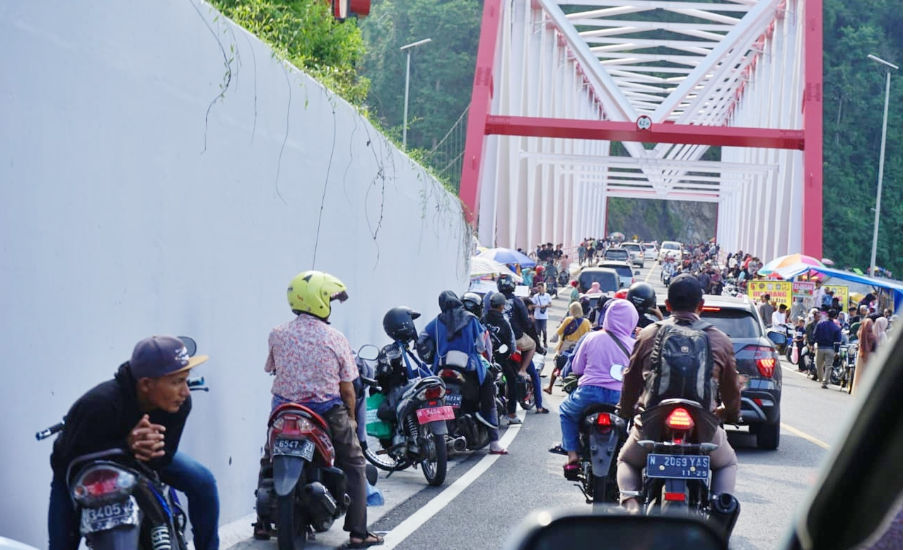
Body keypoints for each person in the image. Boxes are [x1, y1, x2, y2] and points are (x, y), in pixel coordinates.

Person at [49, 335, 218, 550]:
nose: (185, 391)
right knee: (60, 544)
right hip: (78, 472)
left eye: (186, 379)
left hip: (144, 463)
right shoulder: (97, 404)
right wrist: (124, 445)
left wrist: (149, 450)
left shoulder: (179, 404)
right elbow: (65, 460)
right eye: (176, 382)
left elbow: (164, 458)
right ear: (146, 384)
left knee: (203, 482)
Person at [260, 271, 382, 548]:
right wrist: (350, 418)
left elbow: (271, 368)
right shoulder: (335, 337)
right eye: (329, 297)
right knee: (354, 462)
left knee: (268, 459)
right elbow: (348, 388)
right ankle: (359, 532)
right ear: (320, 301)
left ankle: (263, 525)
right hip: (324, 410)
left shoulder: (277, 333)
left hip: (284, 410)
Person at [616, 274, 740, 514]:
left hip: (653, 419)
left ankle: (631, 508)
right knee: (726, 463)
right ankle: (719, 514)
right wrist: (730, 413)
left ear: (668, 305)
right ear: (701, 306)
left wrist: (625, 410)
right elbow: (731, 388)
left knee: (627, 461)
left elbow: (630, 380)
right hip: (702, 423)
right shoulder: (720, 339)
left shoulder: (648, 334)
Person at [552, 300, 637, 472]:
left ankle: (572, 455)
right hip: (620, 397)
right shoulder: (634, 344)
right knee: (634, 424)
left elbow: (576, 368)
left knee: (566, 412)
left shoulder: (591, 338)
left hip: (588, 394)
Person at [421, 291, 507, 454]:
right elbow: (481, 345)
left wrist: (432, 354)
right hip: (470, 368)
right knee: (489, 392)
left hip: (441, 369)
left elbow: (422, 339)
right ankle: (494, 442)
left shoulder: (437, 321)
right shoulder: (472, 319)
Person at [496, 275, 549, 415]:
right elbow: (527, 325)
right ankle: (538, 405)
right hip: (517, 341)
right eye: (530, 311)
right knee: (534, 374)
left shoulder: (494, 302)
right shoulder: (517, 302)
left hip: (497, 343)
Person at [484, 292, 521, 426]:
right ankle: (511, 413)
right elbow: (512, 343)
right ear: (501, 306)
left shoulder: (483, 318)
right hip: (499, 359)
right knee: (512, 380)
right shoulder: (504, 320)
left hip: (483, 359)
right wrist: (510, 353)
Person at [544, 301, 593, 394]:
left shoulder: (568, 320)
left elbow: (559, 331)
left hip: (566, 345)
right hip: (579, 346)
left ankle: (550, 387)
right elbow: (588, 334)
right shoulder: (586, 322)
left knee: (558, 364)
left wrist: (553, 338)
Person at [813, 308, 843, 389]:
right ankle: (825, 381)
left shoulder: (820, 324)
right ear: (836, 316)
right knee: (828, 366)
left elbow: (814, 335)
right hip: (830, 348)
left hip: (820, 347)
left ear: (827, 315)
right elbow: (838, 341)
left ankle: (821, 379)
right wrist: (836, 350)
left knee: (819, 365)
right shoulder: (836, 328)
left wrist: (813, 345)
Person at [851, 318, 877, 395]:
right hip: (869, 356)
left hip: (860, 355)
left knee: (859, 373)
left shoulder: (860, 334)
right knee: (867, 374)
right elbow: (875, 348)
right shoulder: (872, 336)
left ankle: (857, 390)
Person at [532, 282, 553, 348]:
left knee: (544, 330)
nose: (538, 289)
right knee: (537, 331)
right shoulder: (535, 296)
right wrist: (537, 306)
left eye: (540, 288)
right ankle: (538, 343)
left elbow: (550, 304)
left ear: (543, 288)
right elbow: (532, 305)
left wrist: (545, 305)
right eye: (537, 288)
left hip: (544, 316)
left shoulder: (547, 295)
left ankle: (545, 342)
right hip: (537, 316)